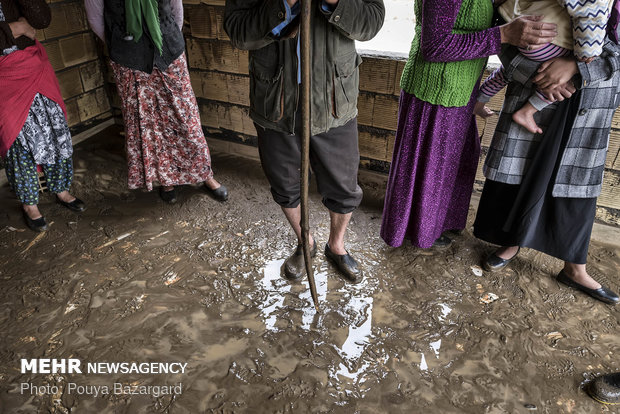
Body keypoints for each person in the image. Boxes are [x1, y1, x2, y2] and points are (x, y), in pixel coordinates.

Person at [224, 0, 385, 284]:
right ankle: (305, 240)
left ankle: (336, 246)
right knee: (285, 182)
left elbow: (371, 22)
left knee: (343, 185)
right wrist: (283, 4)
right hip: (275, 98)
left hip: (334, 97)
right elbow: (238, 31)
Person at [473, 2, 620, 305]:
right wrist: (540, 74)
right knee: (521, 171)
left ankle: (574, 268)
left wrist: (576, 68)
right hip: (534, 80)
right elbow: (501, 30)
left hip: (592, 88)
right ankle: (510, 243)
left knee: (575, 183)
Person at [380, 0, 557, 249]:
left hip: (460, 88)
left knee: (451, 163)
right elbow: (434, 46)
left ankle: (432, 226)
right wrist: (504, 34)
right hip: (435, 89)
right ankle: (415, 232)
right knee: (431, 168)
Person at [85, 0, 228, 204]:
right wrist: (122, 45)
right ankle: (165, 180)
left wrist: (163, 36)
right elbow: (96, 20)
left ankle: (204, 174)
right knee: (149, 124)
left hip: (169, 50)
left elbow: (176, 11)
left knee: (186, 117)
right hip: (129, 59)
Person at [0, 0, 85, 232]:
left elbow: (41, 20)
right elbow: (24, 29)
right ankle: (30, 204)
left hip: (33, 64)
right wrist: (16, 29)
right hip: (4, 77)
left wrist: (16, 28)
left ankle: (61, 189)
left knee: (54, 127)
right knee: (17, 139)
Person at [475, 0, 614, 134]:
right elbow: (590, 11)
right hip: (547, 36)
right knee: (570, 81)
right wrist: (586, 53)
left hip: (518, 21)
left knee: (508, 72)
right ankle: (528, 111)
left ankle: (479, 101)